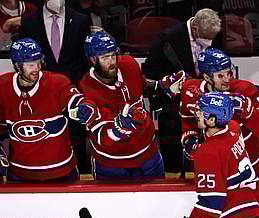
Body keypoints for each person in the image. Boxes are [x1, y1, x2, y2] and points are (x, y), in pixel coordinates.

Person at [173, 92, 259, 218]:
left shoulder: (209, 153)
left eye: (201, 112)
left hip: (235, 217)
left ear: (213, 119)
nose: (197, 114)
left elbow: (211, 205)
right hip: (231, 212)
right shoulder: (232, 128)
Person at [75, 32, 183, 180]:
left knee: (156, 201)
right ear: (93, 59)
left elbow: (143, 86)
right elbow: (102, 136)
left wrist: (163, 86)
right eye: (105, 57)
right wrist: (119, 128)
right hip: (112, 164)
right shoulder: (88, 88)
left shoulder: (129, 64)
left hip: (148, 154)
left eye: (113, 55)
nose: (112, 61)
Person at [0, 38, 93, 182]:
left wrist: (84, 107)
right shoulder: (0, 86)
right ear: (17, 66)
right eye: (31, 64)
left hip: (61, 172)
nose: (37, 68)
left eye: (38, 62)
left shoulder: (56, 82)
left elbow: (76, 99)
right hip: (20, 174)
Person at [141, 8, 222, 173]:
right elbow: (149, 76)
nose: (210, 42)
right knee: (173, 165)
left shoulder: (212, 33)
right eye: (206, 38)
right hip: (174, 112)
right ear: (195, 28)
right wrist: (162, 102)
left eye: (212, 38)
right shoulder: (166, 39)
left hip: (208, 111)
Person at [20, 0, 91, 174]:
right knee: (44, 146)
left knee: (77, 146)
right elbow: (24, 61)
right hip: (41, 96)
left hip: (72, 95)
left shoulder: (81, 19)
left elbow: (85, 60)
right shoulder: (29, 22)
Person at [181, 48, 259, 178]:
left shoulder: (245, 90)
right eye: (220, 76)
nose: (227, 79)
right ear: (206, 77)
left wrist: (247, 110)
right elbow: (188, 123)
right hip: (214, 172)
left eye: (229, 73)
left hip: (250, 170)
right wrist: (190, 141)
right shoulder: (191, 91)